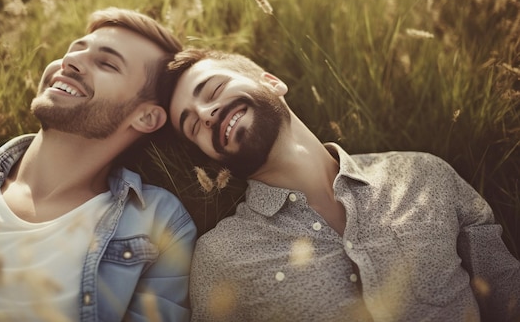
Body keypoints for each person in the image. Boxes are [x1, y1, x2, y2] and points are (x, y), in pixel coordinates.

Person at [164, 48, 520, 321]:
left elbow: (507, 294)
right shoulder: (221, 259)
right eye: (193, 126)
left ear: (271, 81)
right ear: (212, 159)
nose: (206, 114)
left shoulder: (424, 175)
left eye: (213, 88)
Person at [0, 7, 196, 322]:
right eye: (75, 49)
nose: (70, 61)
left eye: (106, 63)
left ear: (146, 116)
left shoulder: (159, 224)